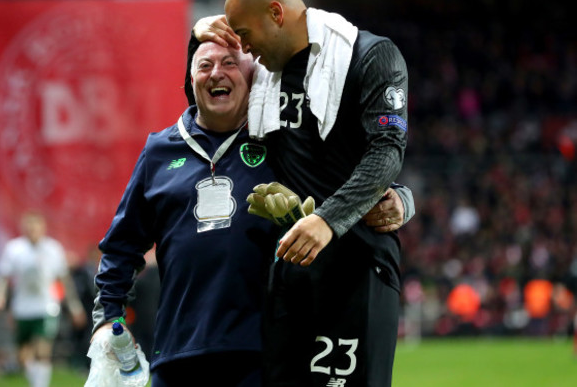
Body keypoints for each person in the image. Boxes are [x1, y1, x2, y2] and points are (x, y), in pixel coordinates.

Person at [92, 39, 412, 386]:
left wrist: (402, 199)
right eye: (204, 65)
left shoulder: (280, 141)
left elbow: (345, 181)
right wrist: (107, 317)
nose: (216, 72)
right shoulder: (159, 151)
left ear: (252, 79)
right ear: (190, 78)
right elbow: (121, 246)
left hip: (266, 354)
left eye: (230, 63)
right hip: (176, 354)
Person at [192, 0, 410, 386]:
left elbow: (386, 151)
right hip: (288, 272)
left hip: (358, 267)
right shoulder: (263, 75)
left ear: (276, 12)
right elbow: (205, 100)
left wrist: (328, 220)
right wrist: (198, 35)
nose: (244, 46)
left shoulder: (368, 56)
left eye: (244, 32)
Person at [0, 211, 87, 387]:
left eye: (36, 228)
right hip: (22, 308)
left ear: (43, 229)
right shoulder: (14, 248)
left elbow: (65, 280)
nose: (33, 232)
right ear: (24, 229)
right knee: (23, 355)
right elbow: (3, 276)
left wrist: (75, 307)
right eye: (29, 228)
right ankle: (34, 381)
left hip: (46, 306)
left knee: (42, 350)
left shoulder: (53, 248)